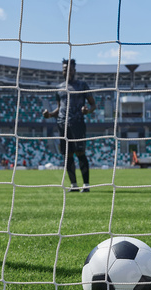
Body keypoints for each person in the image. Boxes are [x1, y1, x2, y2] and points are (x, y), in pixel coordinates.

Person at [43, 58, 96, 192]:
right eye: (64, 69)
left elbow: (93, 104)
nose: (66, 71)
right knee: (67, 155)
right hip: (62, 123)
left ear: (74, 70)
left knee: (80, 153)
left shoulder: (82, 85)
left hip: (77, 122)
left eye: (69, 69)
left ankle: (86, 185)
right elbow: (60, 108)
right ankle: (73, 185)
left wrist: (87, 111)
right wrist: (49, 114)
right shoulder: (59, 88)